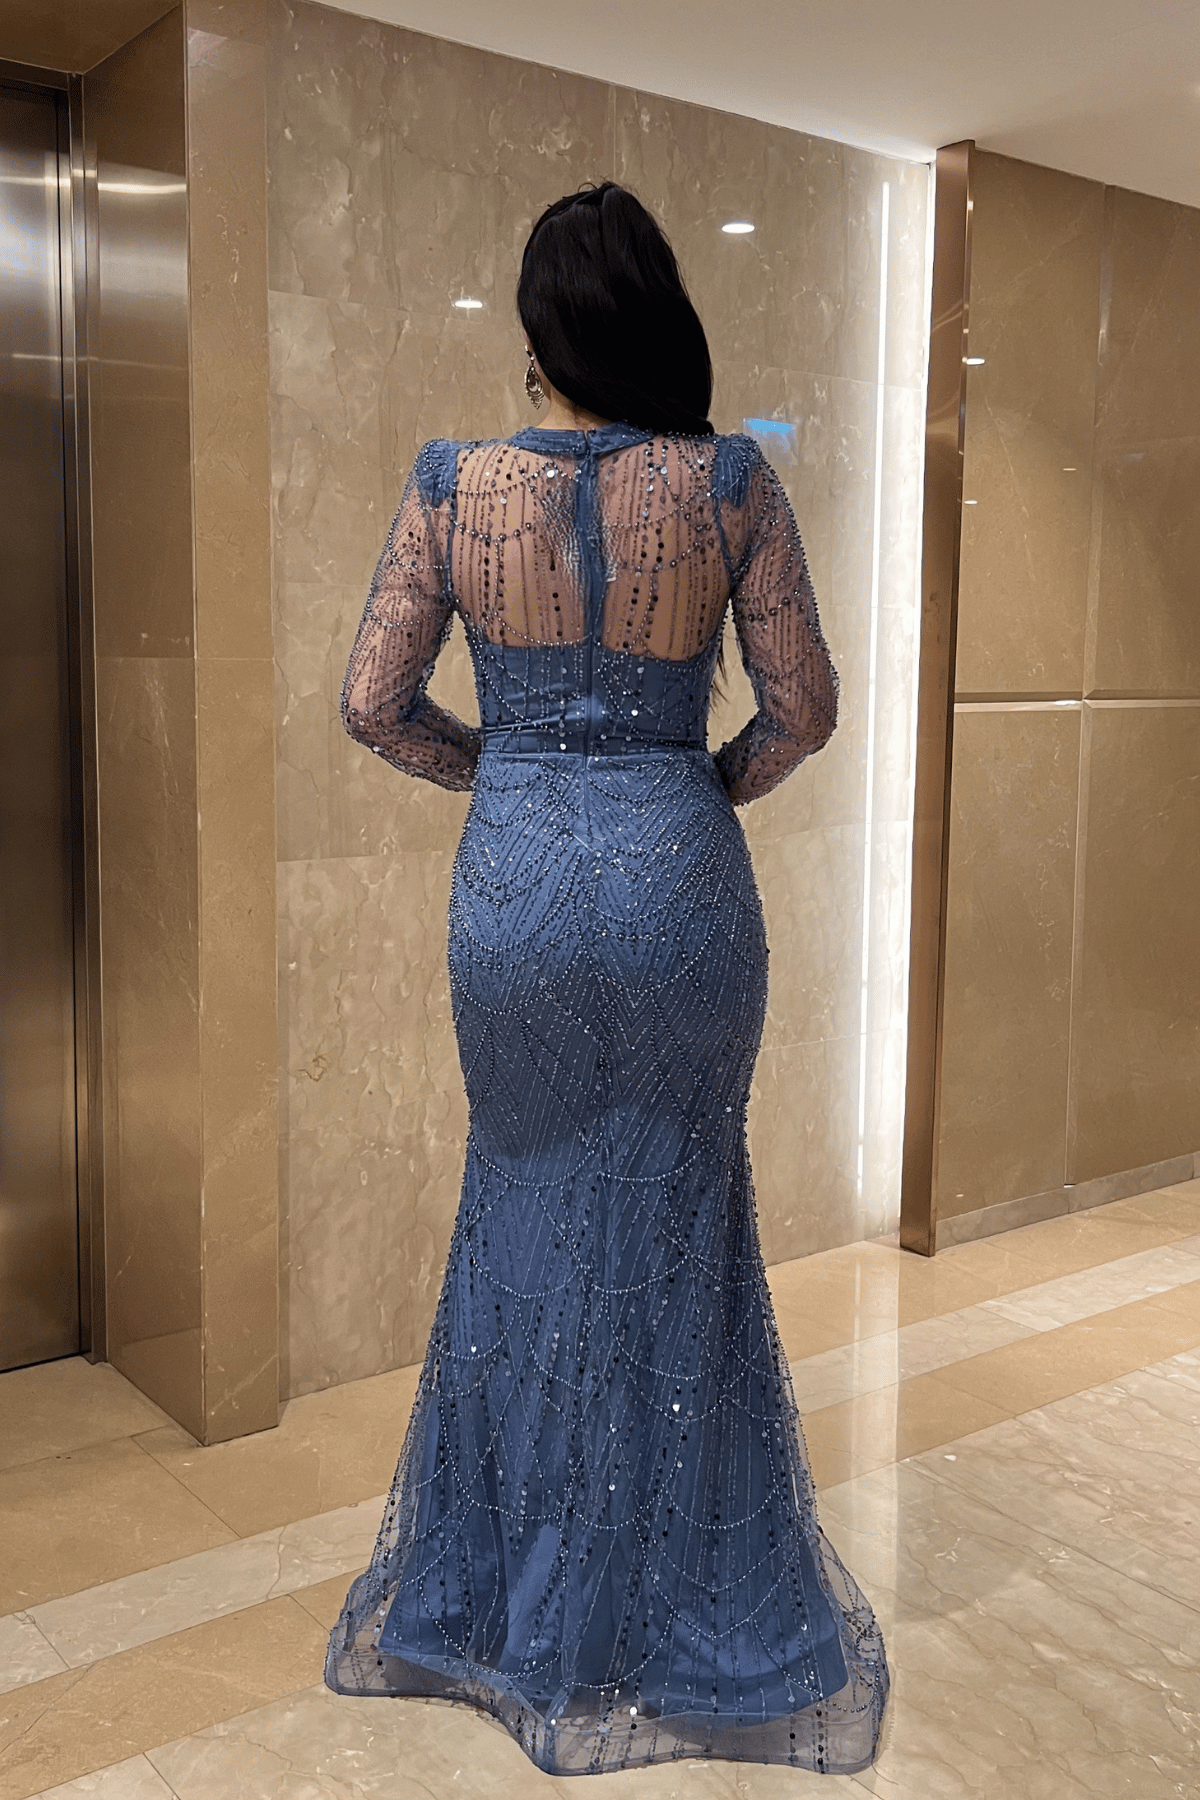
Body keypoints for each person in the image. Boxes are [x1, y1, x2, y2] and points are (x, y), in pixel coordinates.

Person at [325, 180, 889, 1777]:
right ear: (656, 323)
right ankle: (679, 1616)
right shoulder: (730, 484)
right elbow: (804, 710)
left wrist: (503, 775)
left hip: (514, 896)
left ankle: (501, 1611)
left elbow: (371, 702)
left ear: (537, 336)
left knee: (519, 1213)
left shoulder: (453, 486)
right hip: (675, 888)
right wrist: (693, 786)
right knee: (676, 1222)